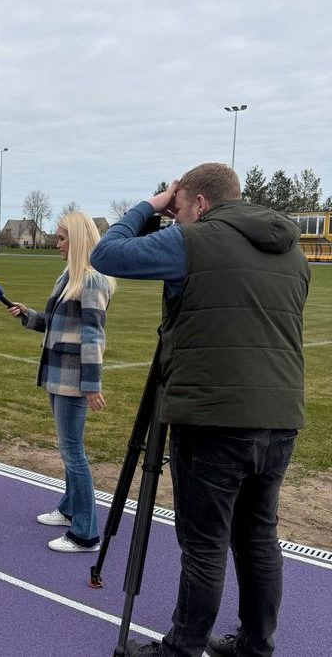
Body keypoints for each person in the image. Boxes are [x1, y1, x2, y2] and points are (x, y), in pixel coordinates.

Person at [90, 163, 310, 657]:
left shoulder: (195, 240)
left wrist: (151, 205)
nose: (178, 216)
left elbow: (106, 253)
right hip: (279, 415)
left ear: (201, 204)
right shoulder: (292, 252)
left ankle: (182, 648)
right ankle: (256, 646)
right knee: (258, 539)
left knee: (205, 543)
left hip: (212, 417)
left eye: (181, 207)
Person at [8, 210, 115, 552]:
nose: (57, 244)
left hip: (72, 380)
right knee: (68, 450)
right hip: (57, 376)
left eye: (62, 238)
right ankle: (70, 509)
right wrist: (29, 316)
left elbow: (92, 336)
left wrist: (92, 384)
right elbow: (58, 326)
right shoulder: (68, 277)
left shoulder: (91, 281)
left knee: (73, 452)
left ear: (79, 240)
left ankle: (86, 533)